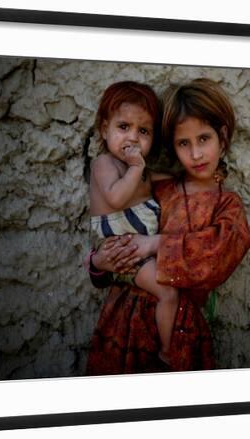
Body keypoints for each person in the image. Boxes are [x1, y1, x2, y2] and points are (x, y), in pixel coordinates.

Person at [86, 78, 250, 375]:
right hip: (122, 325)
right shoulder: (156, 190)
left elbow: (216, 257)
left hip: (178, 329)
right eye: (183, 143)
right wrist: (99, 262)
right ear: (171, 146)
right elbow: (112, 250)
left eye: (204, 138)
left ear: (223, 137)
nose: (196, 154)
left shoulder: (226, 205)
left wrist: (154, 244)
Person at [88, 81, 178, 365]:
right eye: (123, 127)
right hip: (124, 252)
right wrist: (138, 167)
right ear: (104, 130)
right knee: (168, 292)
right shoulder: (105, 163)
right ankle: (167, 350)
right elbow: (115, 197)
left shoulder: (141, 171)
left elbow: (168, 179)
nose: (133, 138)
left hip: (137, 252)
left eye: (144, 131)